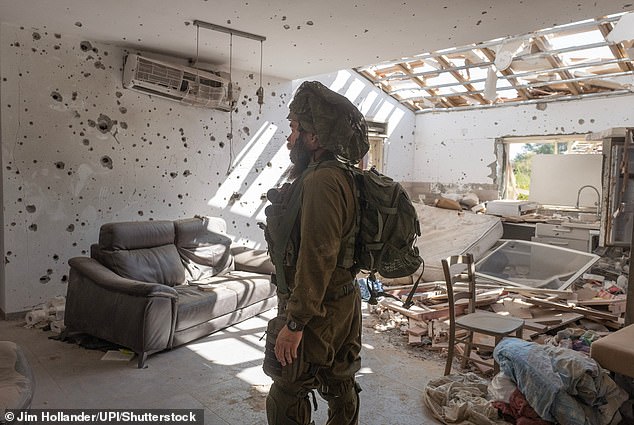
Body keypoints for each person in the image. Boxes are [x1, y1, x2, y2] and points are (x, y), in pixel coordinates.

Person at [262, 81, 369, 425]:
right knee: (340, 382)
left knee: (288, 390)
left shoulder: (321, 180)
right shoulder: (344, 175)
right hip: (341, 301)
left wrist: (295, 323)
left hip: (317, 310)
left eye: (295, 129)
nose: (289, 138)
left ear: (315, 137)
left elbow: (317, 256)